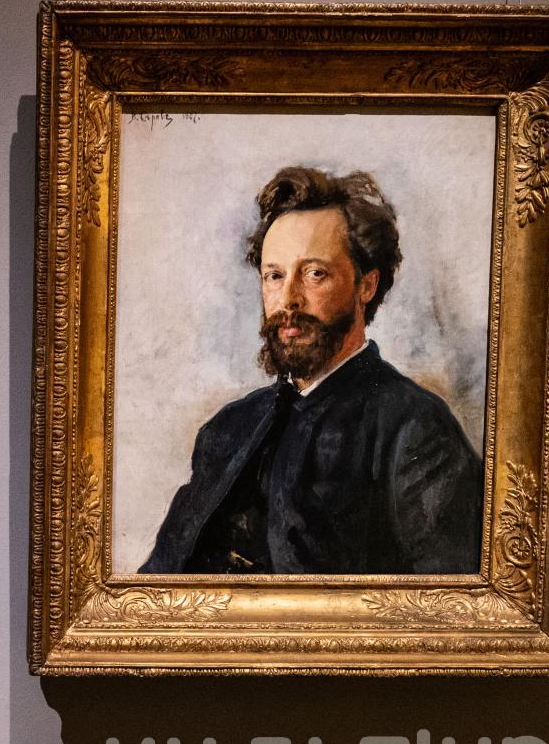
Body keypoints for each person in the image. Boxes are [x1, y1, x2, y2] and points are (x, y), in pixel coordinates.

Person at [138, 166, 481, 575]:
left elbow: (448, 601)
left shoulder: (415, 428)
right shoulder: (227, 428)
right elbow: (157, 585)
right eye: (274, 276)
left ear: (366, 285)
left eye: (314, 273)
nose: (288, 299)